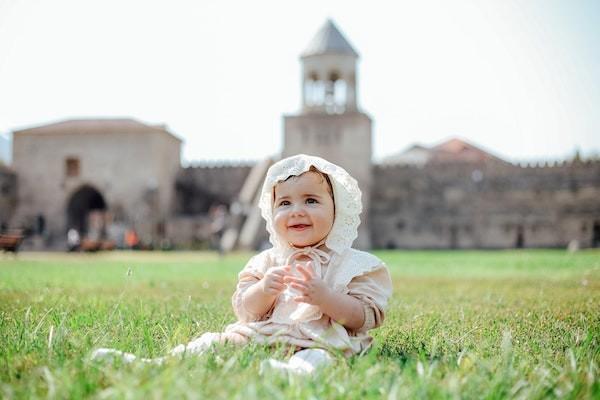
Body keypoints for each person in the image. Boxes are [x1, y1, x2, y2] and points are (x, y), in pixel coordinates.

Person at [92, 154, 393, 374]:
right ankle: (158, 364)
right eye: (284, 203)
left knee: (320, 358)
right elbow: (246, 311)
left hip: (321, 340)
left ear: (336, 210)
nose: (297, 211)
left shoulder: (352, 264)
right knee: (216, 341)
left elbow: (364, 318)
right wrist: (264, 290)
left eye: (311, 201)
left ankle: (293, 374)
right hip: (263, 335)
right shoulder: (267, 261)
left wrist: (325, 298)